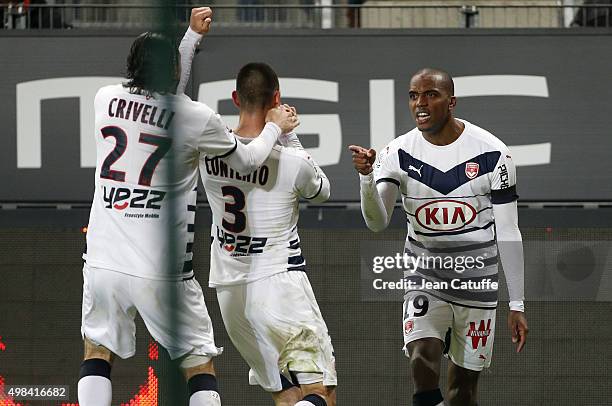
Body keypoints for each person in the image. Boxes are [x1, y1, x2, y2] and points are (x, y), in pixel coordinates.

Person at [78, 8, 299, 406]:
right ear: (172, 69)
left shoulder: (104, 99)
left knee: (97, 353)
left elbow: (157, 99)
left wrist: (190, 39)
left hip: (104, 261)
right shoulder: (197, 118)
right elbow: (248, 161)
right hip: (163, 272)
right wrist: (274, 128)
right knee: (199, 366)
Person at [349, 68, 528, 406]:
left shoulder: (493, 154)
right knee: (422, 358)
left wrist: (516, 304)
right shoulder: (397, 153)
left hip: (477, 282)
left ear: (452, 101)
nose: (420, 103)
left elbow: (507, 230)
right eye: (414, 95)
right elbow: (377, 222)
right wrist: (366, 178)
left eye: (431, 94)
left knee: (463, 393)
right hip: (424, 276)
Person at [178, 31, 337, 406]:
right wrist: (289, 137)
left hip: (231, 290)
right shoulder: (292, 161)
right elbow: (323, 190)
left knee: (284, 394)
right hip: (279, 283)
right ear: (277, 101)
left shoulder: (208, 151)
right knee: (321, 393)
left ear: (235, 99)